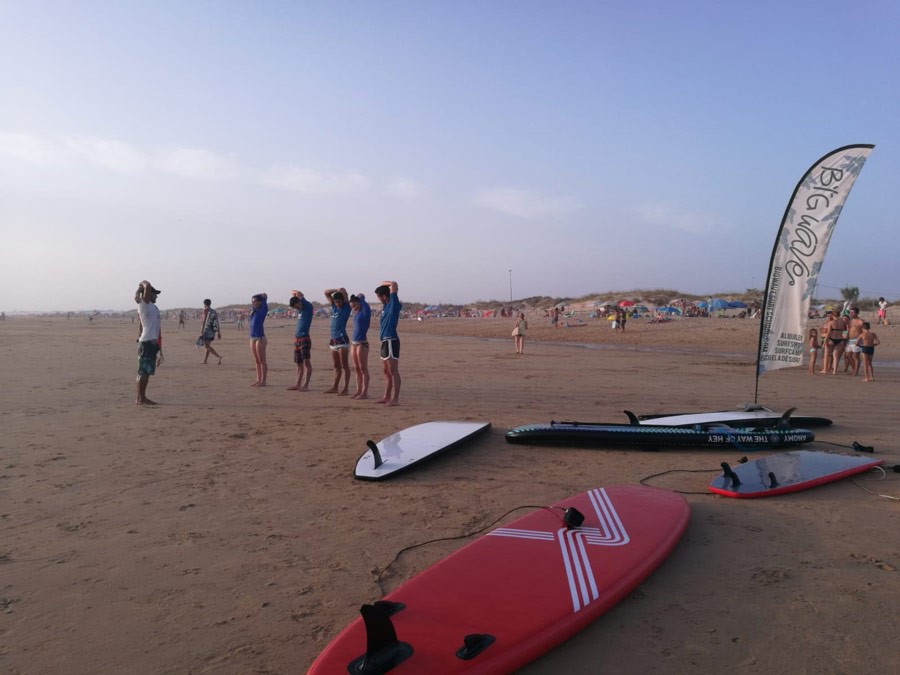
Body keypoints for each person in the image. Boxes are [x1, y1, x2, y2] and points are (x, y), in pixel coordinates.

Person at [375, 280, 402, 405]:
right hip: (384, 340)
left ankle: (395, 398)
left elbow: (394, 284)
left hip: (391, 339)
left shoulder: (393, 303)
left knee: (393, 370)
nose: (379, 299)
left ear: (384, 296)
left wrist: (388, 284)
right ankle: (386, 395)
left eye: (379, 297)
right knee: (386, 371)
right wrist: (383, 285)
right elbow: (383, 284)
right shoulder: (386, 306)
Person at [134, 280, 162, 405]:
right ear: (148, 293)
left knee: (146, 372)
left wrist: (160, 347)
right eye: (154, 293)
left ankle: (141, 397)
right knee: (143, 371)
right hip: (146, 342)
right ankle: (141, 398)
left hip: (152, 342)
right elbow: (147, 284)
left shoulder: (153, 307)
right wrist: (141, 285)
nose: (156, 296)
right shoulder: (143, 304)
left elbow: (155, 327)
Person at [324, 288, 351, 395]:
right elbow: (326, 292)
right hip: (333, 340)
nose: (337, 303)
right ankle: (335, 387)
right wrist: (335, 289)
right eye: (336, 302)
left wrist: (341, 291)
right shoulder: (334, 308)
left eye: (339, 301)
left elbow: (344, 292)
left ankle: (346, 389)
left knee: (345, 366)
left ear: (342, 301)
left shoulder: (346, 308)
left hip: (342, 339)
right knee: (336, 366)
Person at [288, 291, 313, 392]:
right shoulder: (300, 311)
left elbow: (296, 292)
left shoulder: (307, 306)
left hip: (305, 339)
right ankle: (298, 384)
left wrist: (297, 296)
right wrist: (295, 299)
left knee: (306, 362)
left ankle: (306, 385)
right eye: (294, 307)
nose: (296, 308)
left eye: (296, 305)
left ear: (299, 301)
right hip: (297, 339)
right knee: (299, 363)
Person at [349, 293, 372, 398]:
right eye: (352, 307)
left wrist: (360, 297)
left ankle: (365, 392)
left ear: (359, 303)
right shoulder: (356, 313)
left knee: (363, 368)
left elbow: (362, 297)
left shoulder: (365, 311)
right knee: (357, 368)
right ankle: (358, 390)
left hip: (362, 344)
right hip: (353, 343)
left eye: (354, 306)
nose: (353, 308)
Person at [248, 293, 268, 386]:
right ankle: (258, 379)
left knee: (262, 360)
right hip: (252, 338)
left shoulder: (263, 310)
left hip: (260, 337)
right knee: (256, 361)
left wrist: (264, 297)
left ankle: (263, 381)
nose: (253, 303)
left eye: (255, 301)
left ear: (260, 302)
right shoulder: (253, 311)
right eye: (252, 301)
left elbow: (264, 300)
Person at [200, 299, 222, 365]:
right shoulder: (214, 311)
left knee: (207, 346)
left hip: (207, 331)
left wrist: (201, 332)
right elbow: (217, 322)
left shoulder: (205, 310)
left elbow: (203, 322)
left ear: (204, 304)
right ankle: (205, 360)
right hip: (213, 331)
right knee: (208, 346)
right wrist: (218, 332)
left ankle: (218, 356)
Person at [843, 307, 864, 375]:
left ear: (857, 313)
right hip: (849, 339)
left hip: (857, 339)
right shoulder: (850, 320)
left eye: (852, 312)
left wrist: (859, 340)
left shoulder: (860, 321)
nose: (851, 314)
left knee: (855, 356)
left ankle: (855, 371)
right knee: (847, 355)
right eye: (850, 312)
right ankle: (854, 369)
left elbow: (864, 332)